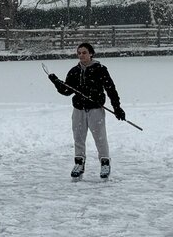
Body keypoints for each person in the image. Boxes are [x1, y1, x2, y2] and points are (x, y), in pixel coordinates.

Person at [48, 42, 125, 180]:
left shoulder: (100, 69)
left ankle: (105, 164)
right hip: (78, 110)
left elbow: (110, 89)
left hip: (95, 110)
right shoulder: (74, 71)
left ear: (91, 54)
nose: (81, 55)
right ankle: (79, 164)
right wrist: (57, 82)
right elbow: (67, 91)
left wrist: (117, 107)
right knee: (78, 138)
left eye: (84, 52)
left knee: (100, 138)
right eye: (79, 53)